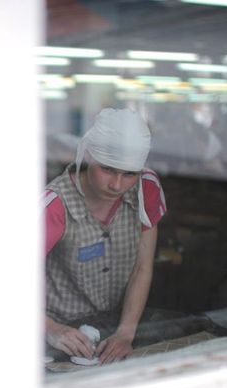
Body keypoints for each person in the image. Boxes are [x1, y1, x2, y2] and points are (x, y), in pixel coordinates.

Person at [44, 108, 167, 364]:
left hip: (113, 324)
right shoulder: (55, 206)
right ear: (88, 156)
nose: (117, 185)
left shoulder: (146, 189)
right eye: (108, 169)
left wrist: (125, 332)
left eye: (129, 173)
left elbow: (142, 268)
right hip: (59, 326)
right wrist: (50, 329)